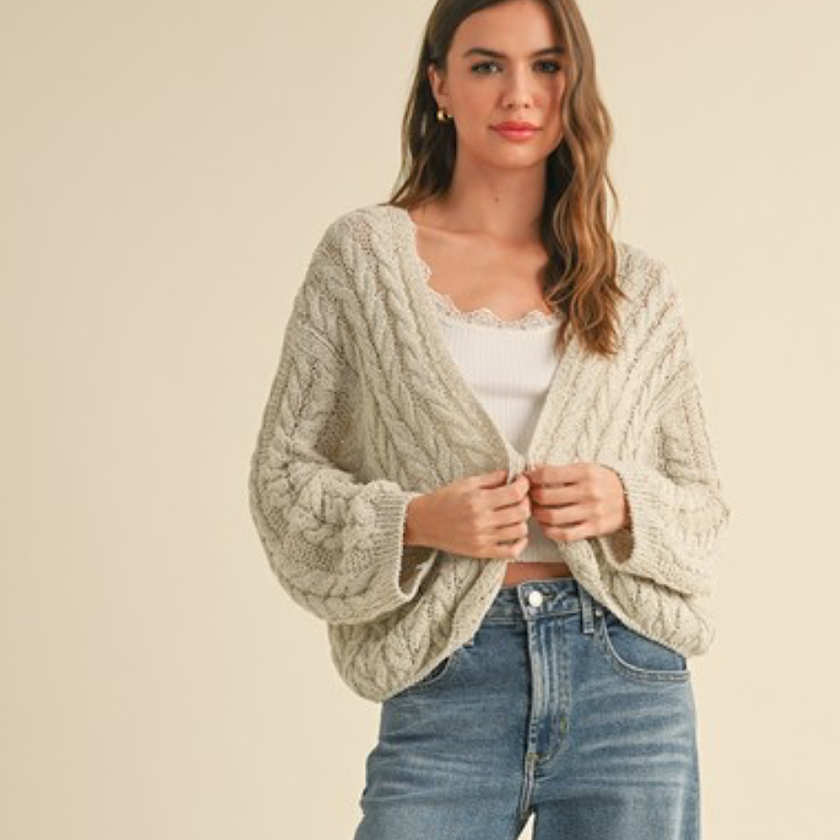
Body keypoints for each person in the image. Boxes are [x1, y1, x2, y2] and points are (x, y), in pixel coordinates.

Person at [248, 0, 731, 837]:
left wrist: (626, 502)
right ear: (440, 85)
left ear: (574, 83)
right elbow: (282, 480)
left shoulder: (637, 288)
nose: (519, 93)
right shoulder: (364, 258)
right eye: (485, 65)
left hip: (627, 683)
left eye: (546, 65)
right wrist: (415, 521)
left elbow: (705, 509)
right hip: (450, 676)